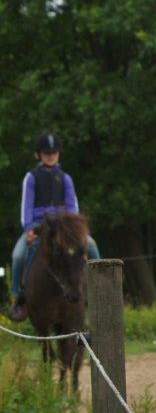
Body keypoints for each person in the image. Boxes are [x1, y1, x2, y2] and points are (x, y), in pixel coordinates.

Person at [7, 132, 100, 323]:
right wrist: (28, 229)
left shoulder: (65, 178)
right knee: (17, 256)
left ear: (58, 154)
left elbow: (73, 207)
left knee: (91, 245)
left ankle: (101, 286)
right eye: (46, 152)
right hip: (39, 226)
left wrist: (75, 229)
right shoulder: (31, 178)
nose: (50, 155)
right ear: (38, 155)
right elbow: (26, 206)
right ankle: (19, 297)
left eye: (54, 152)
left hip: (64, 228)